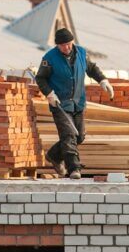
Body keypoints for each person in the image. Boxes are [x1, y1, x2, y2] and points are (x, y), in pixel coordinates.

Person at [35, 27, 114, 180]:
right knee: (69, 135)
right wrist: (49, 94)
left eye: (69, 44)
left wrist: (103, 80)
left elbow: (91, 68)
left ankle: (53, 155)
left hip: (78, 103)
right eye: (63, 45)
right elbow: (40, 78)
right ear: (57, 46)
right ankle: (74, 169)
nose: (67, 47)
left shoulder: (82, 53)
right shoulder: (49, 58)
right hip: (59, 103)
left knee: (79, 136)